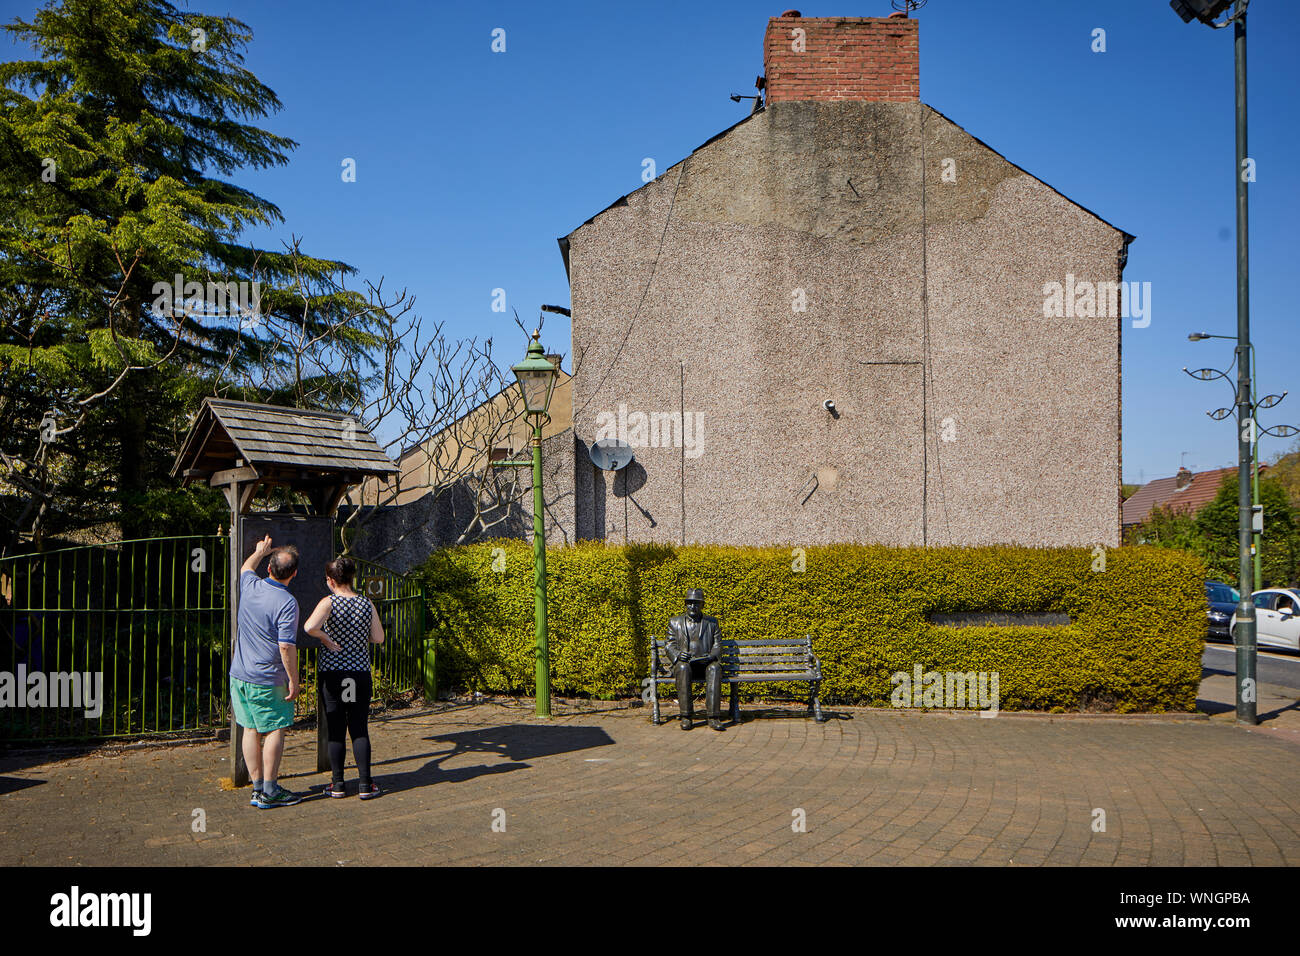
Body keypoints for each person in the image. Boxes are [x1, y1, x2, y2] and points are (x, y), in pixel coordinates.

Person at [230, 535, 302, 808]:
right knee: (275, 729)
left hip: (239, 675)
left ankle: (257, 788)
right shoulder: (287, 603)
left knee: (250, 728)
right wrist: (294, 680)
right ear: (294, 574)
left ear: (269, 569)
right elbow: (286, 646)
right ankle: (271, 791)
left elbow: (245, 568)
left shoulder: (251, 585)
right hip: (268, 679)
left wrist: (260, 551)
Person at [304, 556, 385, 799]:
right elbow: (379, 637)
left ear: (331, 580)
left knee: (336, 729)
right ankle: (365, 784)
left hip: (333, 673)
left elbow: (309, 627)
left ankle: (337, 784)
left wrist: (325, 638)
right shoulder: (366, 603)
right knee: (359, 728)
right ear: (352, 578)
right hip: (359, 672)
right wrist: (358, 640)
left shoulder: (328, 602)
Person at [665, 588, 725, 731]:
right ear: (686, 604)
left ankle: (713, 717)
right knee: (682, 667)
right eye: (690, 603)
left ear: (702, 605)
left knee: (715, 668)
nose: (693, 606)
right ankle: (686, 716)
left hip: (705, 664)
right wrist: (678, 654)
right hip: (686, 665)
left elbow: (718, 644)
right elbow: (669, 645)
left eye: (696, 603)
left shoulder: (711, 622)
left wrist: (712, 655)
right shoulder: (675, 622)